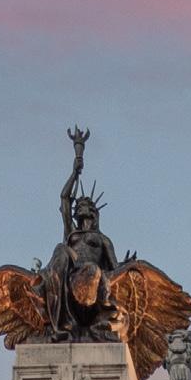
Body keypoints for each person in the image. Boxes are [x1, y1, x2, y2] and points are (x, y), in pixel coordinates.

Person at [40, 136, 119, 341]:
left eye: (84, 204)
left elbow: (114, 269)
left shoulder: (102, 240)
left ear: (92, 211)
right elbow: (64, 199)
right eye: (79, 204)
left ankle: (94, 318)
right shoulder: (72, 233)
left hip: (93, 281)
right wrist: (75, 170)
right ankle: (56, 322)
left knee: (91, 269)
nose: (79, 205)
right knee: (61, 249)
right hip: (70, 275)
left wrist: (129, 265)